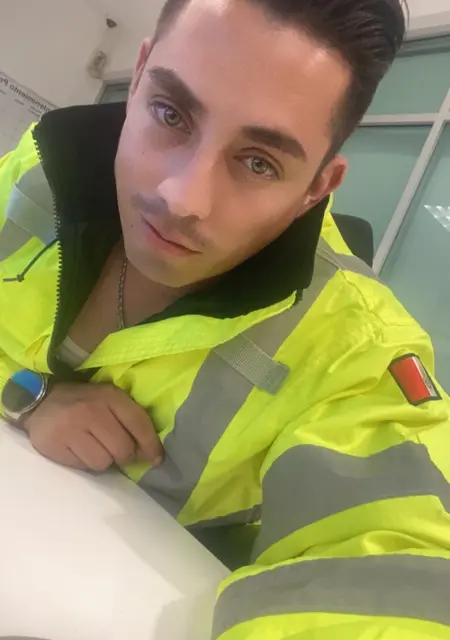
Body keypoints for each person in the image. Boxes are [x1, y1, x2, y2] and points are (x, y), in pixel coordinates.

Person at [1, 0, 450, 636]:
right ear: (139, 72)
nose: (182, 196)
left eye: (259, 162)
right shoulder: (41, 169)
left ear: (317, 188)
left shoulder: (357, 353)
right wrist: (25, 395)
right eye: (171, 114)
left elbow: (412, 579)